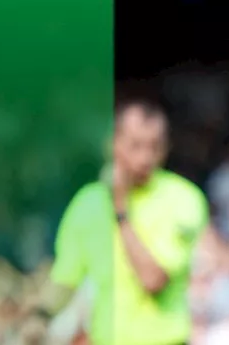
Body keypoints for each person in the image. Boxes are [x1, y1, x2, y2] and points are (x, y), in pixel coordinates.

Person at [28, 99, 209, 345]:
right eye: (135, 146)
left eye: (154, 146)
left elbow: (153, 279)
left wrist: (120, 209)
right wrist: (38, 318)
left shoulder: (183, 198)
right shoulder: (88, 201)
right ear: (112, 144)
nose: (145, 157)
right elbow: (66, 278)